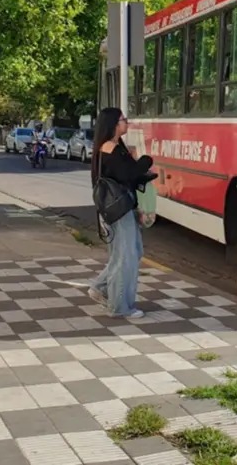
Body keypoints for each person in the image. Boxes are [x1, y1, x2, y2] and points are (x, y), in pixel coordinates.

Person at [88, 108, 155, 319]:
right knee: (125, 257)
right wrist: (146, 161)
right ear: (113, 124)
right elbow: (129, 172)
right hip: (119, 210)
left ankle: (100, 287)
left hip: (120, 208)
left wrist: (143, 174)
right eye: (123, 119)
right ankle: (119, 306)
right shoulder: (110, 149)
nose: (127, 122)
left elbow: (128, 176)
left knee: (132, 252)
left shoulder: (114, 147)